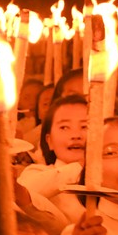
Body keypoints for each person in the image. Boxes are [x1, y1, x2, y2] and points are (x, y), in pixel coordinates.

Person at [18, 95, 88, 224]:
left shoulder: (109, 180)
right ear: (49, 141)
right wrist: (80, 167)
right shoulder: (38, 172)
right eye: (64, 127)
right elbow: (24, 191)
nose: (76, 135)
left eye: (85, 127)